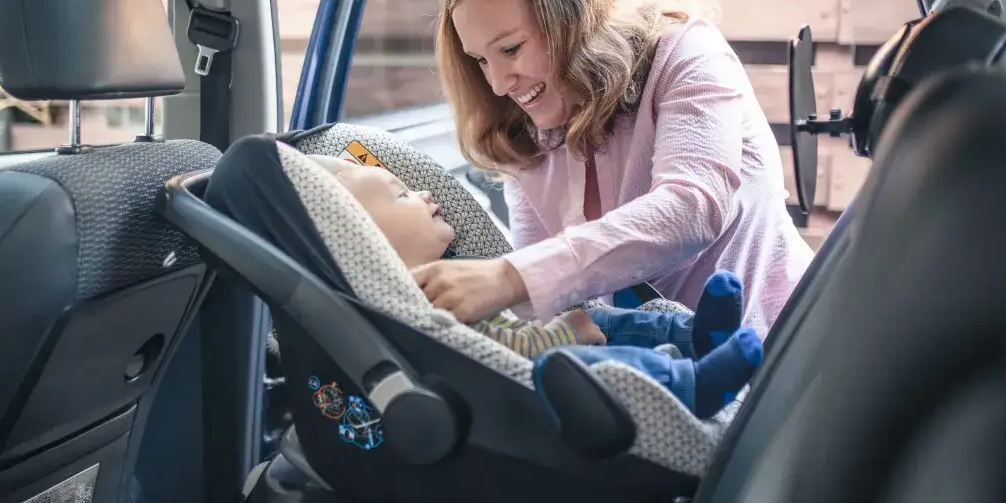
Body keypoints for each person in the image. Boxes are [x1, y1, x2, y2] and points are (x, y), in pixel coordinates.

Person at [412, 0, 813, 339]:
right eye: (480, 60)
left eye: (511, 48)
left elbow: (692, 207)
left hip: (781, 353)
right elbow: (551, 297)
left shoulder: (688, 53)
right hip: (657, 377)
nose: (497, 83)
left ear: (573, 19)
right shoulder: (525, 131)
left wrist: (509, 278)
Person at [310, 155, 762, 419]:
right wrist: (566, 332)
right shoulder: (415, 301)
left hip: (535, 346)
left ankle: (694, 336)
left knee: (603, 317)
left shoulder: (439, 279)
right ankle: (689, 385)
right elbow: (498, 353)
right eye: (401, 195)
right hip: (532, 386)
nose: (425, 195)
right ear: (364, 237)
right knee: (583, 360)